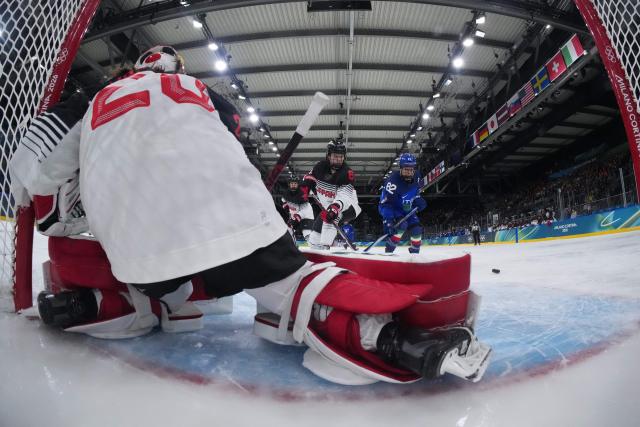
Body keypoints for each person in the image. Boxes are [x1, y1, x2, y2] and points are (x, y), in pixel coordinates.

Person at [9, 45, 490, 385]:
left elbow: (28, 172)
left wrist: (67, 216)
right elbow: (230, 137)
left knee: (154, 281)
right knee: (288, 285)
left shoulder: (89, 101)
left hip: (136, 248)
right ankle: (389, 338)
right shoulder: (197, 90)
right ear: (176, 68)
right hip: (227, 217)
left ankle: (129, 304)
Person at [302, 139, 361, 250]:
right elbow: (309, 178)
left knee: (331, 218)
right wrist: (304, 189)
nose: (339, 159)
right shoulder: (319, 167)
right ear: (328, 156)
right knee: (314, 238)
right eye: (335, 156)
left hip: (349, 207)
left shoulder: (347, 173)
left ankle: (325, 248)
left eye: (341, 156)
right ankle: (316, 249)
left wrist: (336, 207)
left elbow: (344, 195)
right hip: (328, 208)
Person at [378, 153, 427, 253]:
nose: (409, 172)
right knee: (401, 226)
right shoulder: (392, 182)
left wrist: (418, 199)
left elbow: (415, 192)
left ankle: (415, 254)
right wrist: (389, 219)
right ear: (400, 168)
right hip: (392, 208)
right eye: (406, 169)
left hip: (406, 208)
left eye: (411, 170)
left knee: (417, 229)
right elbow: (385, 204)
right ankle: (389, 250)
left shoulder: (417, 176)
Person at [281, 176, 314, 241]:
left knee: (307, 233)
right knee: (288, 230)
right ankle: (291, 247)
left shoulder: (302, 194)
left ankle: (314, 246)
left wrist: (296, 216)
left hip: (306, 217)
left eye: (295, 183)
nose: (293, 185)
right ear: (289, 184)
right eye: (292, 183)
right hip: (295, 216)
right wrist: (285, 207)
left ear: (298, 184)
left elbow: (305, 210)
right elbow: (284, 201)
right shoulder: (286, 193)